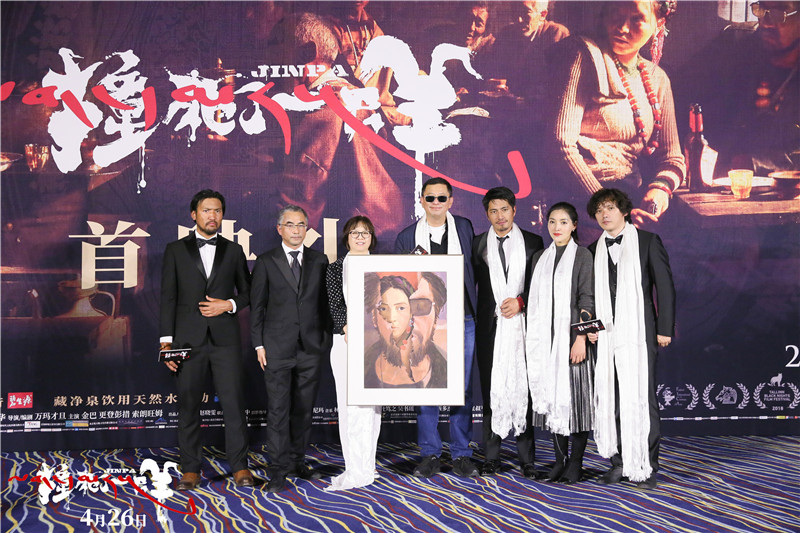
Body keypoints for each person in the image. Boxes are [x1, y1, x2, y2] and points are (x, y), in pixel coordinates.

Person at [262, 12, 405, 236]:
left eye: (275, 44)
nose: (267, 57)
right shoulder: (351, 95)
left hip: (358, 242)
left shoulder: (325, 108)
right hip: (381, 232)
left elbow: (296, 206)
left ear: (307, 53)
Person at [543, 1, 684, 227]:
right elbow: (559, 145)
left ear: (659, 23)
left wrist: (660, 189)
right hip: (579, 204)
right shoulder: (583, 55)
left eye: (637, 19)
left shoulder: (657, 78)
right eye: (616, 14)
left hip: (629, 200)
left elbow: (672, 158)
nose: (622, 28)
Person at [159, 189, 253, 490]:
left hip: (226, 339)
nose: (212, 216)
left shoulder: (234, 251)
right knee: (188, 405)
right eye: (206, 210)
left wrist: (229, 304)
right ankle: (190, 469)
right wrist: (166, 343)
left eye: (217, 211)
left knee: (234, 404)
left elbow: (248, 292)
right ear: (194, 214)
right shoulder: (175, 250)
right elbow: (168, 298)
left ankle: (240, 467)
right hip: (186, 341)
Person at [585, 188, 675, 490]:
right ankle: (619, 462)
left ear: (624, 211)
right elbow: (590, 298)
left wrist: (664, 328)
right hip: (607, 337)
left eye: (610, 208)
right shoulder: (593, 250)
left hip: (640, 333)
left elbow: (664, 287)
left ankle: (646, 465)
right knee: (611, 397)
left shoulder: (648, 241)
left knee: (642, 398)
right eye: (599, 210)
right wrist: (591, 328)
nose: (604, 214)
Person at [394, 177, 479, 478]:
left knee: (462, 389)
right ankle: (429, 453)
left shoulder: (465, 229)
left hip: (464, 318)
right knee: (425, 382)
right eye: (430, 198)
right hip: (425, 321)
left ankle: (461, 454)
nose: (436, 203)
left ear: (451, 200)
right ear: (421, 200)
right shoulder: (407, 237)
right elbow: (401, 283)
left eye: (442, 198)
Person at [250, 205, 333, 494]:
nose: (296, 230)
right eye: (290, 225)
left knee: (304, 410)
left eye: (301, 225)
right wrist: (258, 343)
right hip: (276, 348)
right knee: (278, 410)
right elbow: (257, 307)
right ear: (279, 229)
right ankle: (277, 469)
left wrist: (325, 340)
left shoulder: (319, 260)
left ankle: (297, 461)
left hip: (311, 348)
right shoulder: (266, 261)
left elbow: (326, 304)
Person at [676, 1, 800, 174]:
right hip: (715, 176)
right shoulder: (734, 44)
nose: (767, 22)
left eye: (780, 12)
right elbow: (680, 101)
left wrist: (754, 163)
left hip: (783, 183)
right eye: (762, 9)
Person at [472, 187, 544, 478]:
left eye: (504, 209)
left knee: (523, 389)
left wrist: (520, 302)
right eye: (493, 211)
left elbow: (541, 286)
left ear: (514, 210)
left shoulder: (533, 242)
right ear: (487, 214)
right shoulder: (478, 244)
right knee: (492, 391)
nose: (499, 216)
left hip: (524, 327)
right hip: (489, 330)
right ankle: (491, 458)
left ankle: (527, 460)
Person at [526, 202, 594, 484]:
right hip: (545, 343)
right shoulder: (539, 258)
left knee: (575, 404)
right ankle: (559, 461)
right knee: (552, 402)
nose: (557, 227)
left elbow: (587, 298)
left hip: (572, 341)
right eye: (552, 221)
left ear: (574, 225)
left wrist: (581, 338)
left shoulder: (583, 256)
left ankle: (576, 463)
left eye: (564, 222)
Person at [325, 216, 383, 491]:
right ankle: (353, 466)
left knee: (372, 406)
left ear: (372, 237)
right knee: (349, 405)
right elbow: (335, 304)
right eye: (355, 232)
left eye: (365, 232)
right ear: (346, 238)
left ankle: (368, 464)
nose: (360, 237)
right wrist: (348, 326)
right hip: (346, 342)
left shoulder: (383, 268)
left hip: (377, 344)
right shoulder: (336, 269)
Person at [364, 273, 448, 389]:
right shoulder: (358, 371)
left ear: (436, 316)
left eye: (420, 306)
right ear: (374, 317)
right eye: (387, 308)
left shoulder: (452, 376)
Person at [487, 1, 570, 103]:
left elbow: (560, 85)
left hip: (541, 106)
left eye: (525, 13)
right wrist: (493, 82)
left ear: (543, 14)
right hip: (507, 103)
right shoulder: (506, 34)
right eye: (515, 12)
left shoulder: (557, 34)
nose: (519, 19)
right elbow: (493, 71)